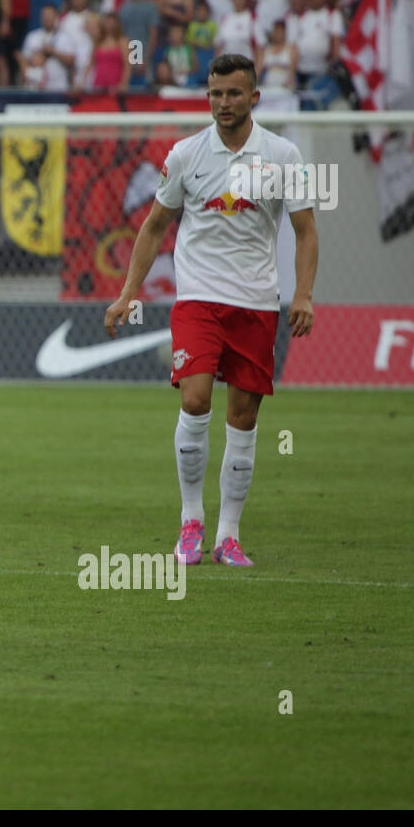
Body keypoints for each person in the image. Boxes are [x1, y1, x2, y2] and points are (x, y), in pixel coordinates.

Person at [103, 54, 319, 568]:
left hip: (256, 303)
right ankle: (191, 523)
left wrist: (304, 294)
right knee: (196, 400)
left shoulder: (283, 155)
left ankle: (228, 535)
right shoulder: (185, 155)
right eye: (216, 94)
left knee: (242, 418)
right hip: (198, 298)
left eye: (234, 94)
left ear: (253, 98)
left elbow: (307, 231)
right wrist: (129, 292)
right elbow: (155, 225)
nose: (224, 103)